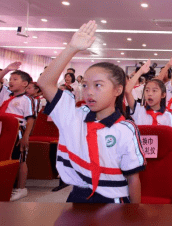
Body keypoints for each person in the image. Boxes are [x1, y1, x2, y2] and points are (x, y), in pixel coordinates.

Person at [37, 20, 145, 203]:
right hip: (78, 196)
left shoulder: (126, 129)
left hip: (114, 201)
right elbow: (44, 83)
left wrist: (134, 216)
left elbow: (133, 178)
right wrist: (71, 48)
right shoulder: (73, 115)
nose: (89, 92)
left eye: (98, 86)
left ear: (118, 90)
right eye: (85, 85)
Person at [0, 66, 36, 201]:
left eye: (15, 79)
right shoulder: (6, 94)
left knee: (20, 159)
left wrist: (26, 136)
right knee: (5, 158)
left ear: (25, 84)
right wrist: (7, 69)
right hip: (2, 130)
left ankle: (21, 188)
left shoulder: (27, 99)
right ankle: (6, 185)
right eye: (10, 79)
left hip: (17, 130)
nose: (11, 81)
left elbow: (30, 119)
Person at [124, 60, 172, 129]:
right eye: (147, 90)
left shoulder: (168, 116)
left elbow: (171, 136)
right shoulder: (138, 109)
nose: (150, 94)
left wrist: (167, 66)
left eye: (154, 91)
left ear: (163, 95)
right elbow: (127, 90)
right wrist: (140, 72)